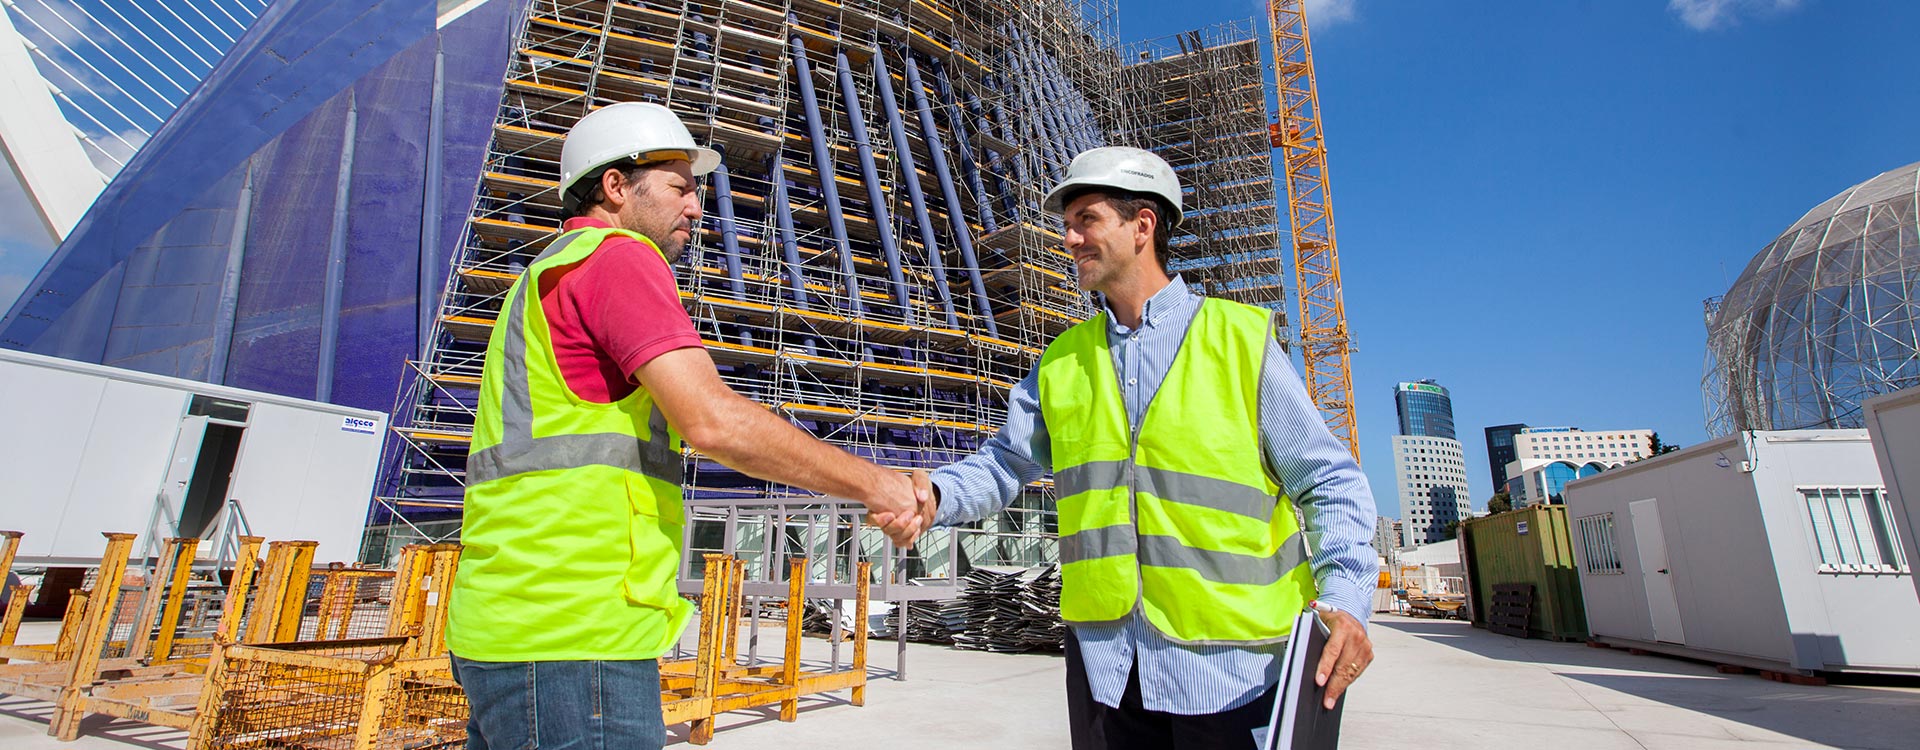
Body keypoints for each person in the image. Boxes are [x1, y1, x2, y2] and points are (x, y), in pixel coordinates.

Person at [446, 102, 928, 749]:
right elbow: (712, 421)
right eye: (679, 186)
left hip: (506, 627)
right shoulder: (616, 258)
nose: (697, 208)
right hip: (575, 636)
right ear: (616, 186)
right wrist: (878, 484)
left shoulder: (543, 277)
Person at [906, 146, 1378, 749]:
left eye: (1087, 219)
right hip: (1106, 668)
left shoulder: (1239, 341)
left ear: (1143, 226)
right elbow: (1005, 464)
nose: (1070, 238)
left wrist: (1346, 602)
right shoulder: (1062, 361)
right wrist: (935, 493)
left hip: (1234, 672)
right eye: (1068, 224)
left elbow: (1330, 481)